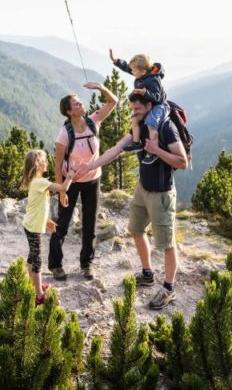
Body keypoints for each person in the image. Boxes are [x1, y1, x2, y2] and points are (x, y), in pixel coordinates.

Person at [77, 92, 188, 309]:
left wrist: (156, 150)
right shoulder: (139, 126)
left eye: (137, 109)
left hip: (162, 192)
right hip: (142, 188)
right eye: (132, 109)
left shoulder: (165, 127)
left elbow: (182, 162)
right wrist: (91, 166)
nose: (133, 112)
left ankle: (168, 288)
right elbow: (116, 150)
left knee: (166, 243)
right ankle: (147, 274)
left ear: (149, 105)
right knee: (136, 230)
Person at [49, 81, 119, 281]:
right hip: (70, 182)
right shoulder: (64, 134)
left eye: (80, 102)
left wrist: (101, 88)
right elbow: (57, 164)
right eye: (77, 104)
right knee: (62, 224)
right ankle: (55, 265)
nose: (81, 105)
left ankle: (87, 263)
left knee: (90, 224)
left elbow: (113, 101)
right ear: (69, 112)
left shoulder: (93, 122)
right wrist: (61, 190)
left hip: (92, 180)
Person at [21, 148, 75, 305]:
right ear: (37, 164)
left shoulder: (35, 182)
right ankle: (39, 295)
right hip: (32, 228)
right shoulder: (40, 182)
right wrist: (70, 175)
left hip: (30, 224)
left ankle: (34, 284)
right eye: (44, 160)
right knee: (37, 260)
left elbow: (38, 207)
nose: (47, 162)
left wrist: (48, 221)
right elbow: (63, 188)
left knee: (33, 256)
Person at [109, 49, 167, 157]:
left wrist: (145, 93)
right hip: (146, 103)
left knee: (151, 122)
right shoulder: (141, 74)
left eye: (134, 71)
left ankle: (154, 149)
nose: (132, 72)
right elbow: (127, 67)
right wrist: (116, 60)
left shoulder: (153, 80)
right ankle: (136, 143)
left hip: (158, 105)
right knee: (134, 119)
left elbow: (157, 97)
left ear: (143, 72)